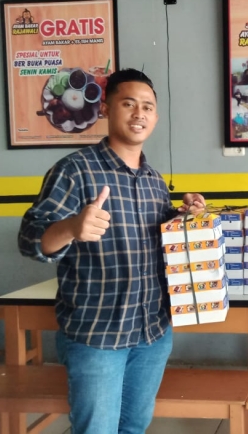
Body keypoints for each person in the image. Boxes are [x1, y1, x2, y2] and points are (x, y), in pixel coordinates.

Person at [18, 69, 206, 434]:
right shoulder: (75, 171)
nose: (139, 113)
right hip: (98, 335)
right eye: (128, 104)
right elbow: (30, 239)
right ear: (105, 109)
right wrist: (72, 227)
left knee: (134, 427)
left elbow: (155, 242)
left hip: (152, 332)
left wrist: (184, 218)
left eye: (147, 107)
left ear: (156, 117)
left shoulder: (154, 181)